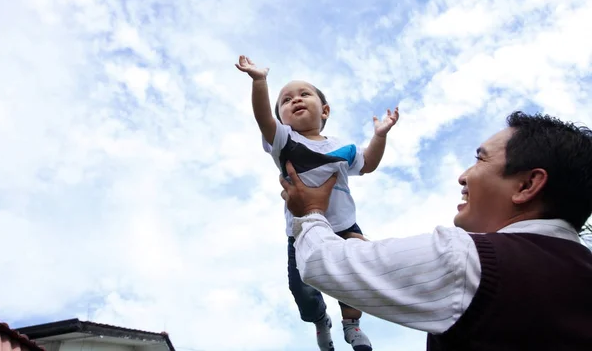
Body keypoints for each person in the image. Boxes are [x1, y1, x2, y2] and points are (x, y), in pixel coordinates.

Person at [279, 111, 592, 351]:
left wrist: (309, 213)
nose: (463, 176)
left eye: (480, 160)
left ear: (526, 185)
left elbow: (323, 263)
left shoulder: (469, 260)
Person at [236, 55, 399, 351]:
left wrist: (379, 136)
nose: (295, 100)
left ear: (324, 110)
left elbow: (369, 163)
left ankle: (352, 323)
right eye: (285, 100)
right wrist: (259, 81)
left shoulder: (341, 147)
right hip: (301, 232)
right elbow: (263, 118)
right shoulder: (284, 141)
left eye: (304, 94)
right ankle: (320, 320)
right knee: (303, 290)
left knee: (354, 273)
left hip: (344, 226)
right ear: (281, 118)